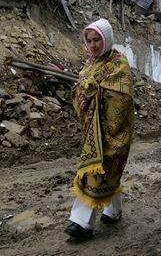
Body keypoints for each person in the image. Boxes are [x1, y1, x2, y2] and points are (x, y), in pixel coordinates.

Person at [65, 18, 135, 240]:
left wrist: (96, 92)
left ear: (107, 39)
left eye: (97, 40)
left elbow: (122, 99)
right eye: (89, 40)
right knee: (110, 171)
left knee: (95, 170)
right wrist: (85, 92)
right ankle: (113, 211)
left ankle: (81, 223)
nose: (93, 44)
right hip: (92, 131)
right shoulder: (89, 64)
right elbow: (80, 90)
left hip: (113, 130)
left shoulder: (118, 64)